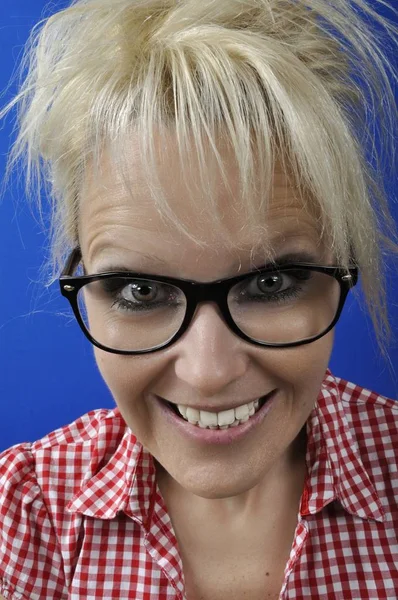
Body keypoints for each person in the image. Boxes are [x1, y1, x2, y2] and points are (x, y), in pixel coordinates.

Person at [0, 0, 397, 598]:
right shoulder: (24, 513)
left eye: (270, 283)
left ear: (342, 264)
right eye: (140, 290)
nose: (209, 374)